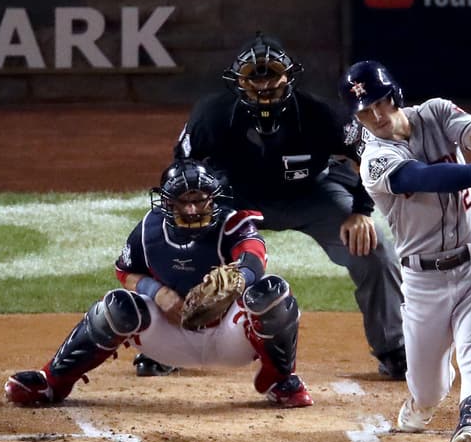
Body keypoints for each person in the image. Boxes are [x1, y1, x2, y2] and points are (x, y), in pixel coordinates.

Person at [136, 32, 406, 381]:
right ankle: (168, 346)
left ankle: (393, 347)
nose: (263, 86)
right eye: (254, 77)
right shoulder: (212, 115)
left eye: (271, 75)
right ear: (239, 82)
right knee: (185, 241)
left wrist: (361, 210)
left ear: (288, 76)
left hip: (312, 192)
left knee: (375, 248)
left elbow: (374, 154)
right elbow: (181, 170)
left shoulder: (321, 114)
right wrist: (196, 216)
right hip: (235, 197)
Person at [3, 157, 313, 409]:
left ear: (212, 199)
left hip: (229, 338)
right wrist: (157, 292)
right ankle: (52, 383)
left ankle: (280, 380)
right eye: (183, 201)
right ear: (167, 202)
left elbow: (254, 258)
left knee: (273, 293)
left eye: (199, 199)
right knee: (116, 307)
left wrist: (237, 280)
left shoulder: (232, 223)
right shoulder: (148, 230)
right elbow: (126, 272)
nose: (191, 208)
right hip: (169, 338)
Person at [339, 59, 471, 442]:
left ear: (394, 95)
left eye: (380, 104)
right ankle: (421, 406)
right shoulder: (374, 159)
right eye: (365, 113)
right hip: (424, 281)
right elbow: (419, 178)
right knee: (427, 387)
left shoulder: (436, 112)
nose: (377, 117)